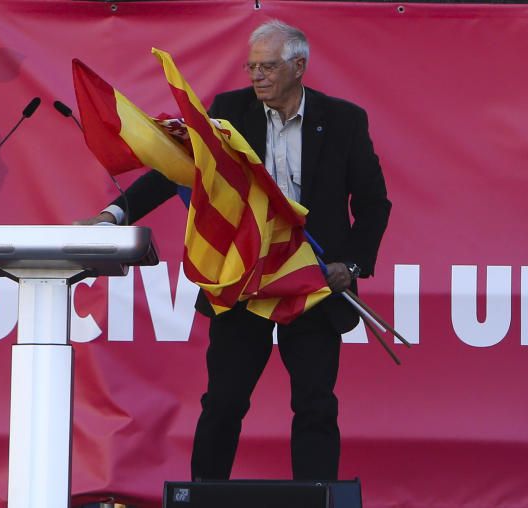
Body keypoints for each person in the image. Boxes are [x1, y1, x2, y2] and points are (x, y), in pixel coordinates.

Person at [81, 20, 391, 481]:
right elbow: (174, 169)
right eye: (251, 67)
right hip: (242, 280)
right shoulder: (229, 113)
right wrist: (113, 216)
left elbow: (373, 204)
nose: (257, 76)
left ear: (299, 66)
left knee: (315, 404)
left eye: (267, 66)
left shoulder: (344, 121)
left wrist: (352, 264)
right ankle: (204, 494)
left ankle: (316, 497)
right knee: (223, 402)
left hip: (312, 281)